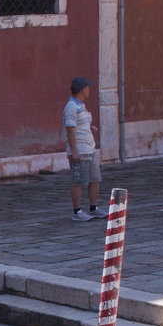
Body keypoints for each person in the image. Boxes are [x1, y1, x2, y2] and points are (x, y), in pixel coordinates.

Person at [63, 76, 104, 222]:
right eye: (88, 87)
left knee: (95, 179)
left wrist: (90, 127)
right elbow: (70, 130)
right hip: (80, 151)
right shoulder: (71, 107)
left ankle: (93, 208)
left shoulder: (81, 106)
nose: (89, 90)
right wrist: (74, 151)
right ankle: (77, 211)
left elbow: (80, 124)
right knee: (78, 181)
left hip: (90, 149)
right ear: (83, 89)